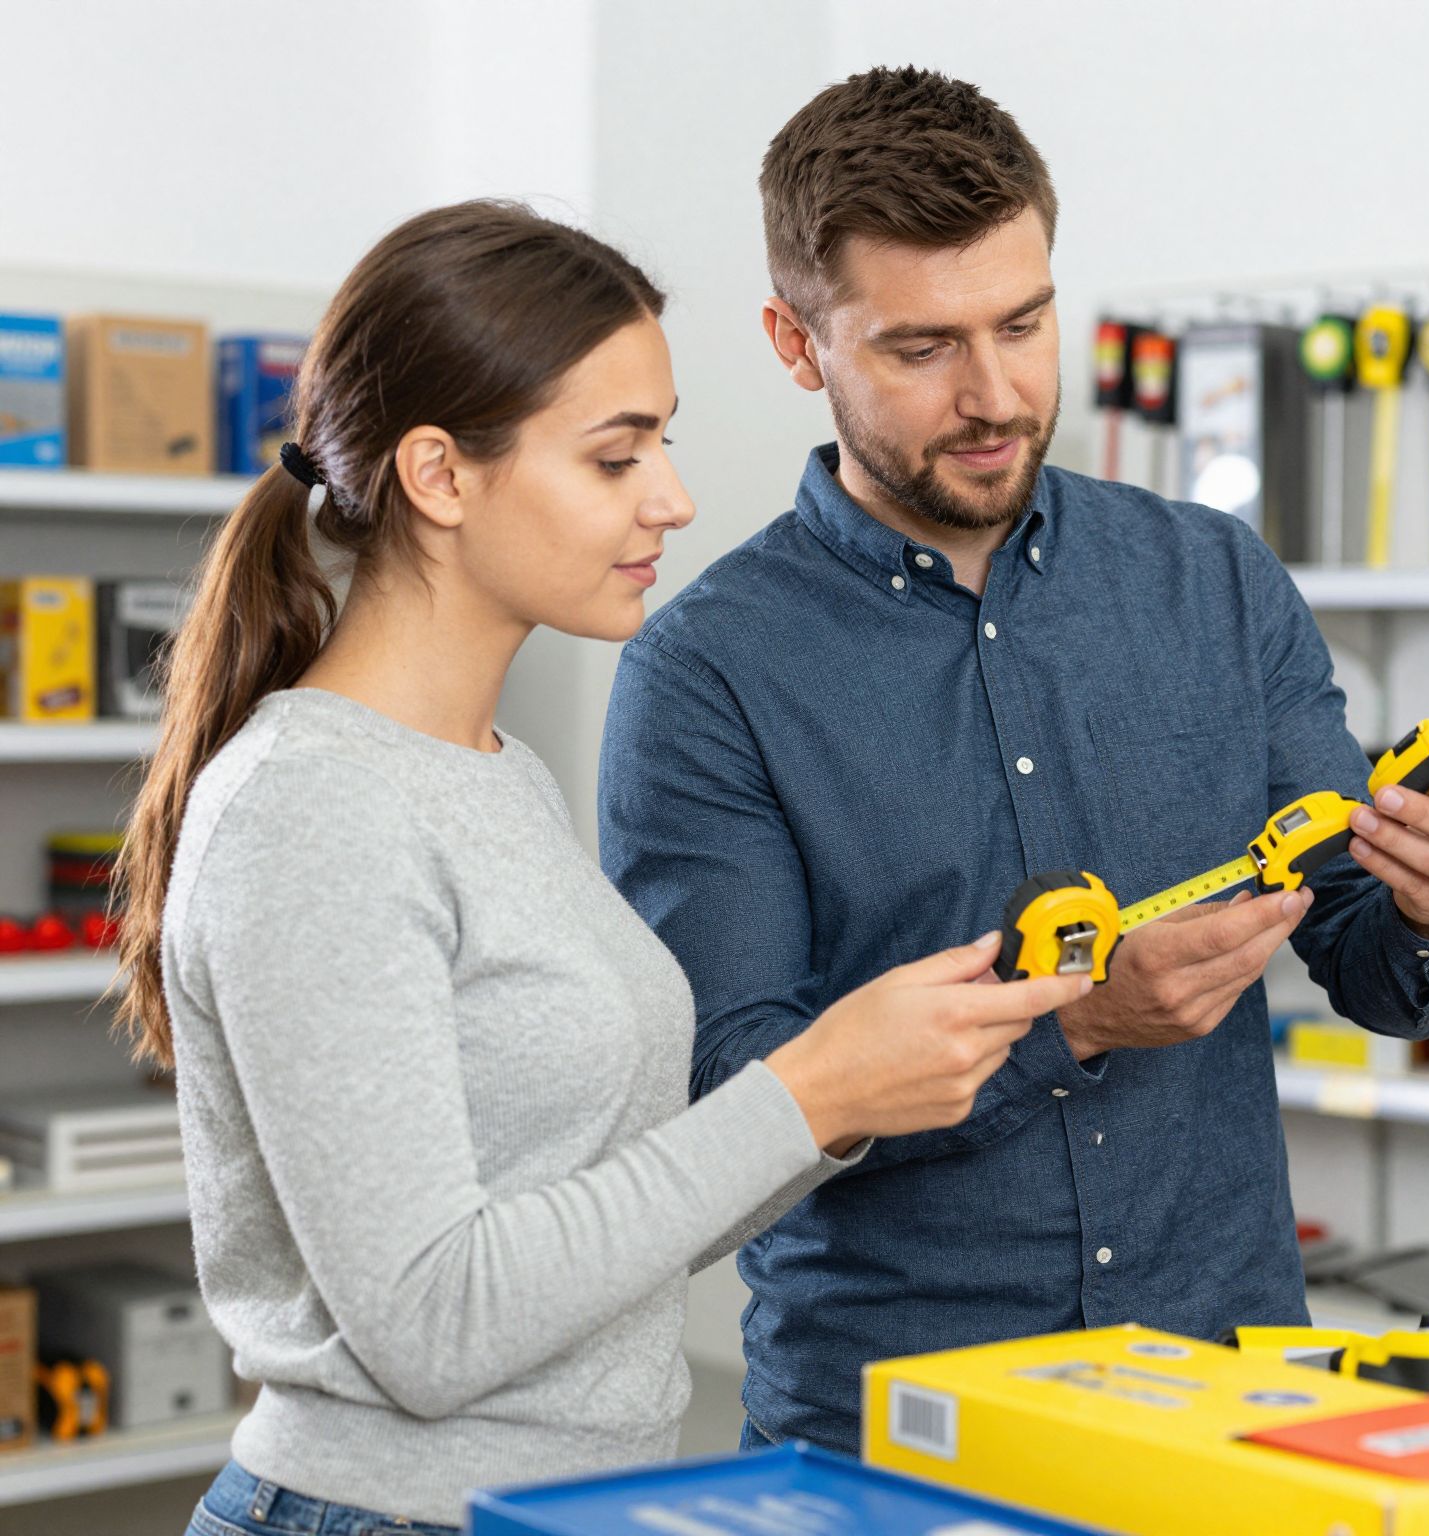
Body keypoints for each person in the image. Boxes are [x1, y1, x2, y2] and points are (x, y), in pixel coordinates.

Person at [111, 199, 1090, 1536]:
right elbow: (430, 1324)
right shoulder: (313, 809)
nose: (674, 499)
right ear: (441, 476)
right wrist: (805, 1092)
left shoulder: (493, 773)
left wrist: (867, 1081)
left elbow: (598, 1234)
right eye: (617, 456)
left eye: (664, 446)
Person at [597, 68, 1429, 1457]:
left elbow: (1376, 963)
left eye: (1023, 325)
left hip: (1226, 1393)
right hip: (897, 1429)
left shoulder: (1212, 578)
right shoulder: (707, 672)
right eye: (921, 348)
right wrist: (1070, 1029)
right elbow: (738, 1100)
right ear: (798, 343)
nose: (993, 395)